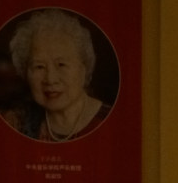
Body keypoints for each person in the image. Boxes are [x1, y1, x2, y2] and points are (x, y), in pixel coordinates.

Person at [6, 8, 110, 142]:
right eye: (39, 67)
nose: (50, 79)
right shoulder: (15, 123)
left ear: (83, 69)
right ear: (25, 73)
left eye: (61, 64)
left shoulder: (112, 122)